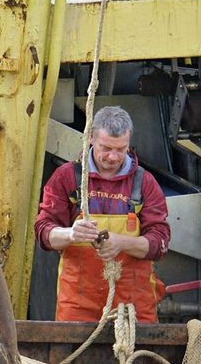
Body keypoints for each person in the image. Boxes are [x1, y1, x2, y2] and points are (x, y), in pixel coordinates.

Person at [34, 106, 170, 323]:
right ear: (91, 138)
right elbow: (43, 232)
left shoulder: (144, 182)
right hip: (78, 303)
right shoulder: (66, 177)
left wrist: (122, 243)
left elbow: (160, 243)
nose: (113, 157)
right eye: (106, 148)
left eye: (121, 149)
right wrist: (71, 234)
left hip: (133, 304)